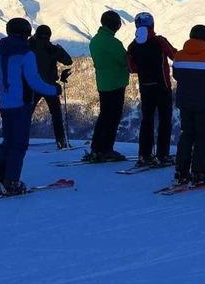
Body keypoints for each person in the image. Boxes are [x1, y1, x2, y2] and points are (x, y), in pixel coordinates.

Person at [0, 18, 61, 196]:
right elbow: (34, 82)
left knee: (7, 142)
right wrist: (54, 89)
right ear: (25, 33)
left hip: (5, 103)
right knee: (19, 144)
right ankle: (11, 182)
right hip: (21, 103)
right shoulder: (27, 54)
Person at [172, 25, 205, 186]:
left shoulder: (179, 56)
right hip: (203, 104)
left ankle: (181, 172)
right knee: (203, 137)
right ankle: (199, 173)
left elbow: (176, 75)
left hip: (185, 103)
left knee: (186, 135)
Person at [127, 12, 177, 167]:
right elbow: (174, 55)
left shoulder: (133, 46)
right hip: (163, 87)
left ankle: (145, 155)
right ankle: (163, 155)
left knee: (147, 121)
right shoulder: (159, 41)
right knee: (164, 121)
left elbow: (132, 68)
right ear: (152, 25)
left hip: (145, 88)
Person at [83, 10, 129, 162]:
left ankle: (96, 148)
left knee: (104, 116)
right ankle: (106, 149)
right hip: (116, 82)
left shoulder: (95, 40)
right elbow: (125, 61)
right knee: (113, 118)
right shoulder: (113, 43)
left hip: (103, 83)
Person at [29, 25, 73, 149]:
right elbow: (68, 61)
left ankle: (19, 140)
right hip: (49, 85)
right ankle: (61, 141)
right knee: (56, 115)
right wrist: (58, 48)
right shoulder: (52, 48)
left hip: (32, 86)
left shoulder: (28, 46)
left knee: (26, 114)